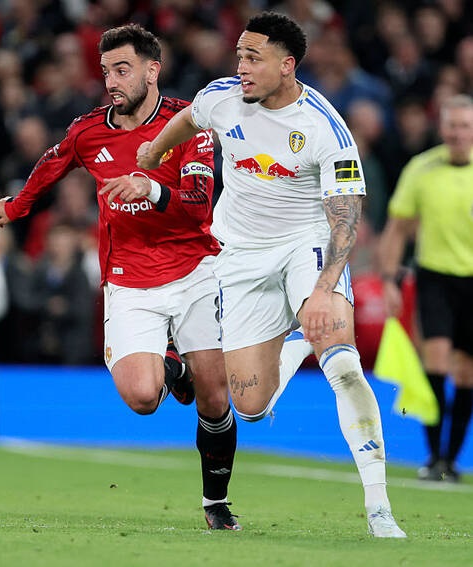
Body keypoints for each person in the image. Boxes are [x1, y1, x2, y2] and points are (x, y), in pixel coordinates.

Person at [136, 12, 406, 538]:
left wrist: (323, 292)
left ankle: (379, 506)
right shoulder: (222, 97)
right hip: (238, 255)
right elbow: (189, 118)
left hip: (305, 245)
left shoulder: (325, 127)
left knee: (341, 360)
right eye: (239, 55)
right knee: (250, 406)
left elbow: (346, 219)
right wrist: (155, 150)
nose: (241, 67)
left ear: (287, 65)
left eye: (253, 58)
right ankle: (297, 339)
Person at [0, 24, 240, 531]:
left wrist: (150, 188)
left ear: (152, 71)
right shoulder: (89, 131)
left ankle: (215, 503)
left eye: (122, 69)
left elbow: (198, 207)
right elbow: (53, 162)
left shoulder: (189, 124)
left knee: (216, 400)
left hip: (195, 270)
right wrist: (17, 206)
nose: (111, 81)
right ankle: (175, 370)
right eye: (106, 71)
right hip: (128, 277)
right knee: (142, 398)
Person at [376, 94, 473, 483]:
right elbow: (397, 227)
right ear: (442, 127)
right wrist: (388, 280)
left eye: (465, 126)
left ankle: (450, 459)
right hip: (435, 277)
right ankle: (433, 457)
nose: (458, 133)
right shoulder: (422, 168)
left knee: (466, 374)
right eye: (452, 125)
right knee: (436, 361)